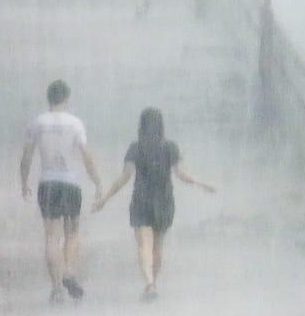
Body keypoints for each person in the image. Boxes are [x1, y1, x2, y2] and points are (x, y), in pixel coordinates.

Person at [94, 107, 214, 301]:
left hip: (142, 200)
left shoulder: (136, 148)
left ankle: (149, 283)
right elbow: (181, 174)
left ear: (141, 126)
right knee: (158, 247)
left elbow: (124, 177)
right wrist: (202, 184)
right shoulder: (170, 147)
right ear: (161, 126)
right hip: (164, 201)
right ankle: (152, 284)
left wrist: (105, 198)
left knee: (144, 244)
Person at [20, 80, 104, 303]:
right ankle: (68, 270)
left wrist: (24, 181)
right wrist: (97, 182)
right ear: (66, 98)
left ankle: (57, 289)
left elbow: (27, 156)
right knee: (72, 232)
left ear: (49, 98)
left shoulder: (37, 123)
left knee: (51, 237)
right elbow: (86, 156)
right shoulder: (75, 124)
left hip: (48, 183)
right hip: (70, 183)